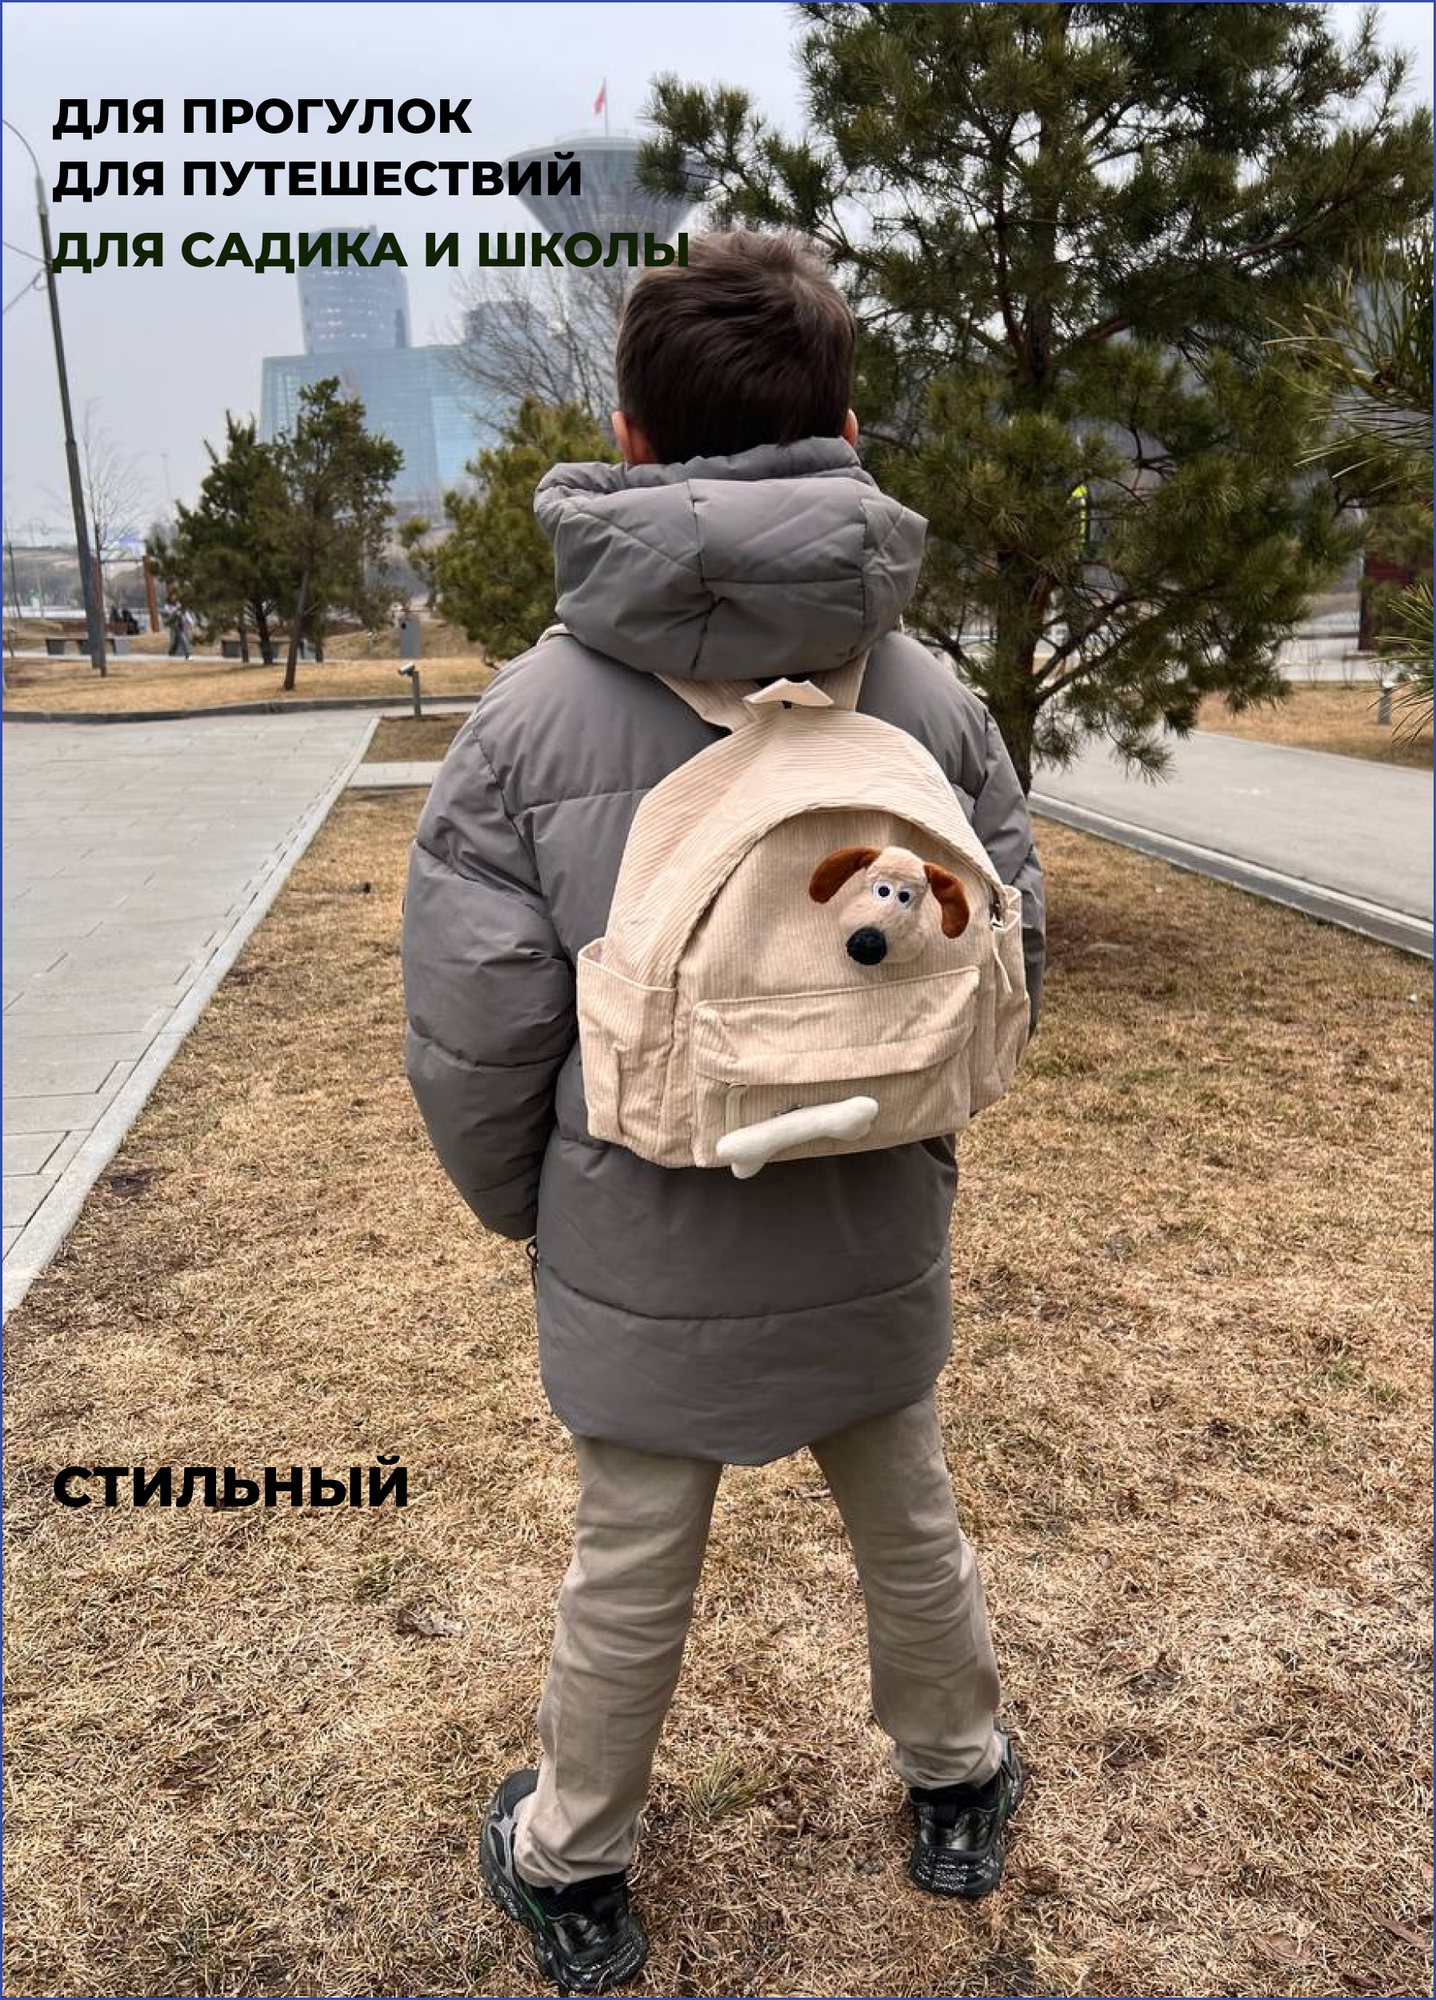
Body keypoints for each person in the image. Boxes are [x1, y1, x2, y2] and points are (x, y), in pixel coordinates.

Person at [402, 229, 1046, 1996]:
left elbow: (477, 1028)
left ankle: (575, 1861)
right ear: (846, 430)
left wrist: (535, 1207)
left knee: (630, 1563)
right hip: (871, 1205)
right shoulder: (926, 697)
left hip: (641, 1224)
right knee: (907, 1522)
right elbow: (1008, 955)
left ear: (629, 440)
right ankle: (958, 1780)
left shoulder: (530, 720)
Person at [161, 592, 190, 660]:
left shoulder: (178, 604)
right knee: (182, 638)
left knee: (177, 639)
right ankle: (187, 654)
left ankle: (171, 652)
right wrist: (176, 612)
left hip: (180, 622)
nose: (174, 598)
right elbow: (168, 613)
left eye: (175, 596)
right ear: (170, 597)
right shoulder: (167, 605)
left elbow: (185, 613)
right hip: (174, 623)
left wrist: (190, 621)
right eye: (172, 596)